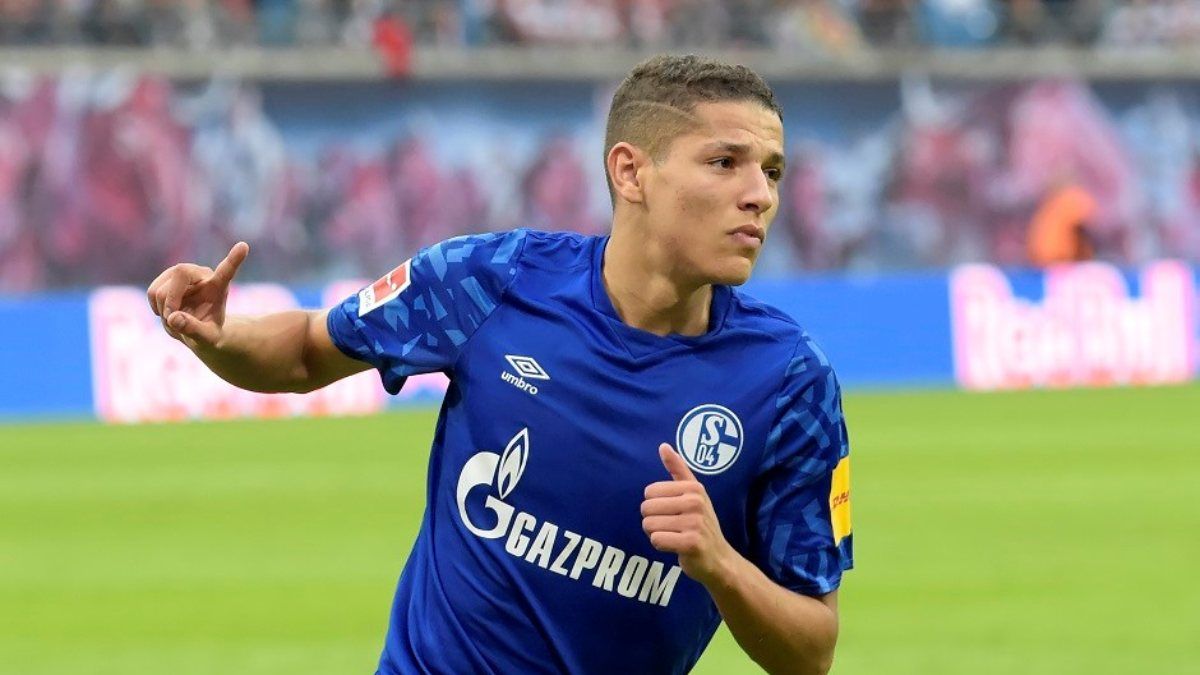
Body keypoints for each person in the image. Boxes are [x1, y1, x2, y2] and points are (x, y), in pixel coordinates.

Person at [146, 54, 853, 675]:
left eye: (772, 170)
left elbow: (811, 650)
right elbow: (307, 350)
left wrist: (722, 565)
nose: (760, 194)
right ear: (631, 171)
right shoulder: (490, 279)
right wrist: (219, 335)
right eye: (725, 162)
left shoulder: (790, 381)